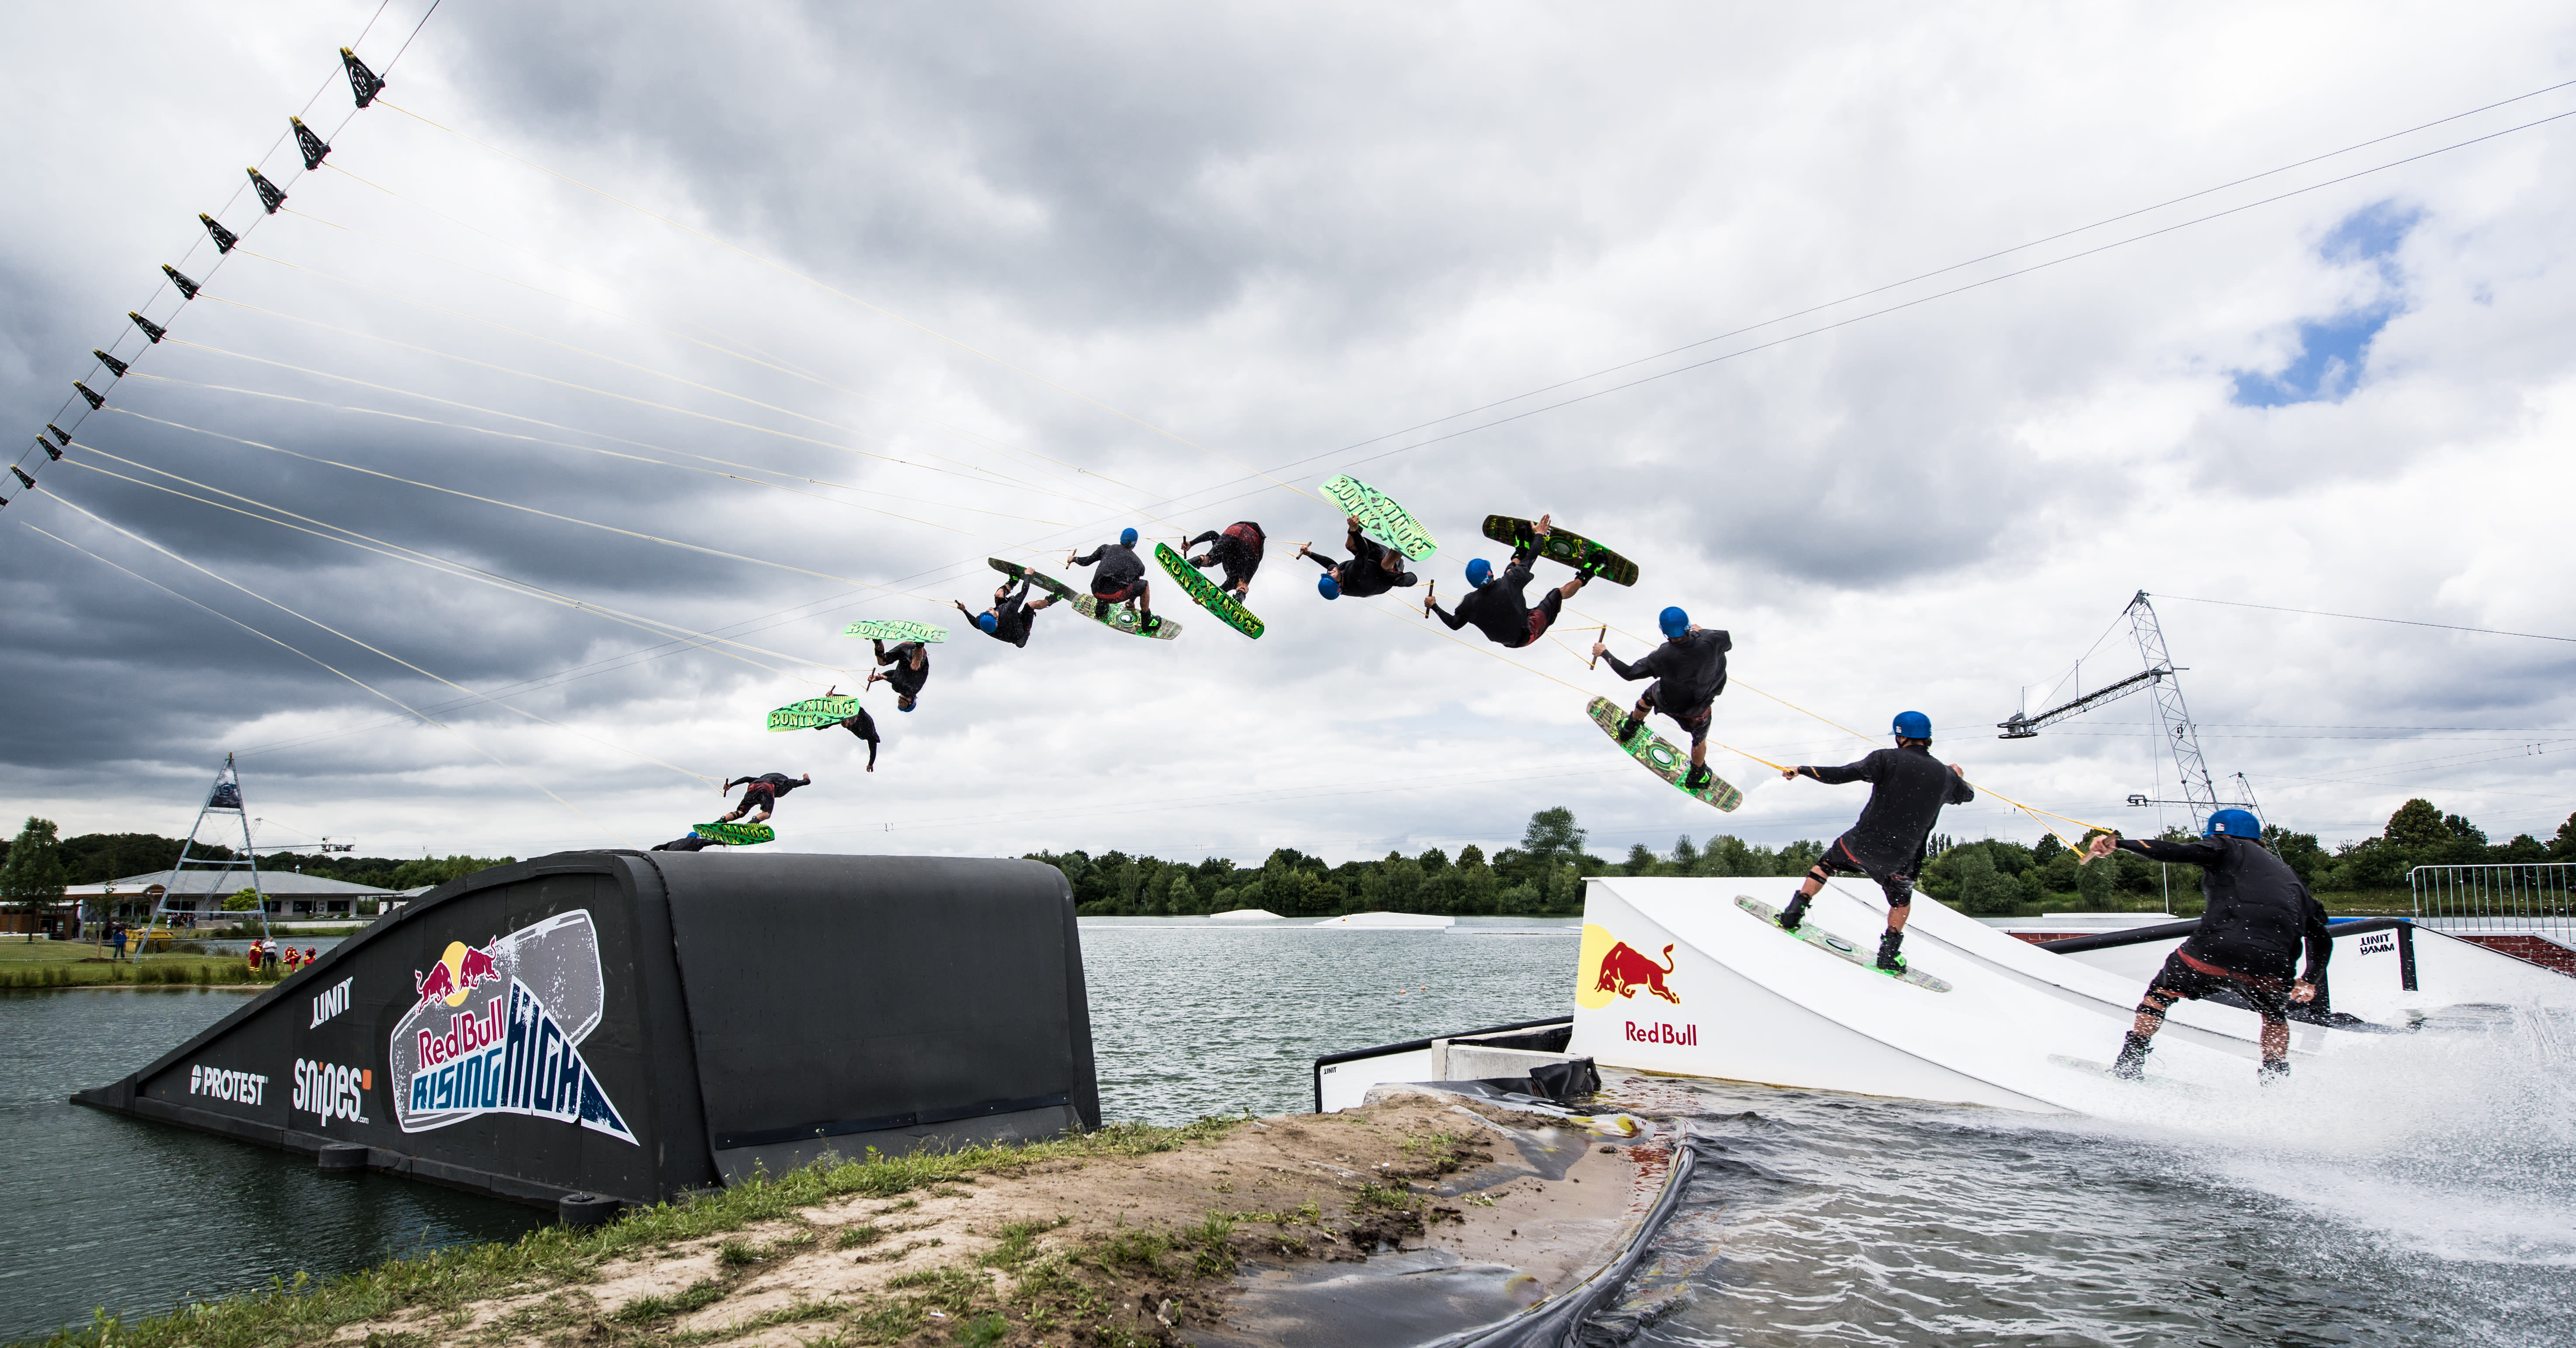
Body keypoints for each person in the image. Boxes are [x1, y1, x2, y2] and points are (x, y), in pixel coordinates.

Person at [2087, 809, 2331, 1083]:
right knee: (2274, 1016)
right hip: (2271, 965)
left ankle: (2128, 1066)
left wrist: (2119, 844)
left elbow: (2176, 851)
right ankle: (2274, 1085)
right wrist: (2310, 980)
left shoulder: (2227, 846)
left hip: (2213, 950)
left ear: (2218, 834)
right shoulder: (2291, 880)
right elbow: (2321, 937)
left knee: (2160, 994)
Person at [1773, 711, 1975, 973]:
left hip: (1858, 846)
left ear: (1901, 737)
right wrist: (1957, 775)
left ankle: (1792, 915)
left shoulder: (1885, 759)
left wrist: (1802, 770)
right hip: (1899, 861)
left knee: (1825, 864)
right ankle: (1889, 955)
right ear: (1928, 738)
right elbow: (1967, 795)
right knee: (1901, 901)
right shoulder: (1946, 777)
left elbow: (1842, 774)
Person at [1593, 607, 1731, 790]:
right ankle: (1697, 773)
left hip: (1668, 700)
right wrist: (1701, 633)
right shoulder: (1713, 639)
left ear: (1665, 633)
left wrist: (1603, 652)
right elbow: (1725, 643)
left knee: (1649, 696)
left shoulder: (1663, 655)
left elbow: (1629, 674)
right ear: (1688, 626)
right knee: (1699, 737)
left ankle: (1630, 727)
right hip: (1699, 707)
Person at [1425, 514, 1590, 647]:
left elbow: (1455, 624)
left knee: (1512, 573)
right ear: (1489, 572)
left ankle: (1521, 547)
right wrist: (1539, 534)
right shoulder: (1507, 584)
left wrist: (1434, 606)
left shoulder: (1470, 601)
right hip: (1528, 633)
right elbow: (1532, 558)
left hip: (1511, 635)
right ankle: (1588, 573)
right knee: (1556, 594)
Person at [1298, 517, 1420, 600]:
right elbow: (1363, 551)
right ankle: (1402, 546)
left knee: (1350, 545)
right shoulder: (1355, 577)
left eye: (1328, 574)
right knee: (1385, 566)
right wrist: (1353, 530)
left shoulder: (1336, 574)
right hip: (1387, 574)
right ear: (1339, 585)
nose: (1329, 572)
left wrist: (1310, 554)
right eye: (1331, 576)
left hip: (1372, 563)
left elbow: (1330, 564)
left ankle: (1360, 518)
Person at [1066, 528, 1159, 632]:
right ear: (1135, 543)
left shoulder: (1105, 548)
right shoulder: (1138, 564)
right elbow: (1135, 584)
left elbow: (1087, 561)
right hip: (1114, 596)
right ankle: (1146, 621)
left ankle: (1101, 607)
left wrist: (1074, 559)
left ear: (1121, 539)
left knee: (1107, 579)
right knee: (1145, 585)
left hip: (1096, 591)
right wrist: (1132, 601)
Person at [957, 576, 1054, 649]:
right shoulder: (1008, 610)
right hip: (1020, 632)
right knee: (1030, 605)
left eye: (987, 612)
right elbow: (1023, 593)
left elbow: (975, 623)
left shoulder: (984, 623)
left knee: (999, 595)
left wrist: (964, 610)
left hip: (1011, 621)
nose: (988, 610)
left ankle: (1013, 580)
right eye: (990, 613)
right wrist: (1028, 575)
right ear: (996, 619)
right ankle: (1053, 599)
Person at [1184, 521, 1268, 600]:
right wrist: (1205, 598)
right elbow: (1222, 590)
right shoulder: (1237, 577)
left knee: (1210, 560)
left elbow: (1212, 534)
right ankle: (1239, 599)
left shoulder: (1226, 558)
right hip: (1253, 539)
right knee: (1243, 584)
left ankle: (1189, 563)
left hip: (1235, 529)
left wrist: (1192, 543)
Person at [717, 771, 811, 824]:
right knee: (766, 813)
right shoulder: (788, 782)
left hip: (753, 787)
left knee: (741, 811)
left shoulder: (761, 779)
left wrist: (731, 785)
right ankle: (752, 824)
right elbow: (806, 783)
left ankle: (722, 820)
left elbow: (746, 779)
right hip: (768, 789)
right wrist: (806, 779)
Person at [866, 639, 929, 712]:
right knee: (914, 667)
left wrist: (877, 678)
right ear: (911, 702)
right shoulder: (911, 692)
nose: (900, 704)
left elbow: (894, 673)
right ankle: (920, 644)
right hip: (917, 654)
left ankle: (877, 641)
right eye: (904, 706)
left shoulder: (902, 688)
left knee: (882, 661)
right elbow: (897, 682)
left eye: (899, 705)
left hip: (904, 649)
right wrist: (884, 678)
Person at [651, 833, 728, 852]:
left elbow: (659, 847)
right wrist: (723, 843)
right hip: (680, 859)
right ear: (696, 837)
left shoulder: (675, 842)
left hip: (668, 858)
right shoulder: (696, 841)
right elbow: (710, 842)